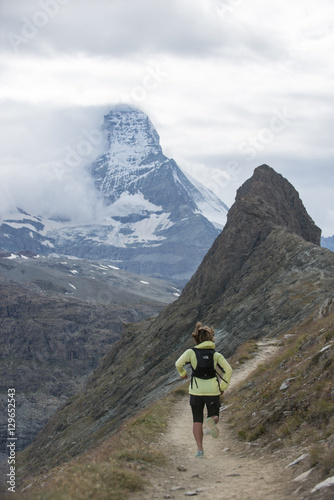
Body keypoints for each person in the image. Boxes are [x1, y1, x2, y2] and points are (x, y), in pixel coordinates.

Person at [175, 322, 232, 458]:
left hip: (196, 391)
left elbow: (178, 364)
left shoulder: (190, 353)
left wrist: (183, 373)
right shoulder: (216, 355)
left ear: (196, 339)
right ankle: (211, 421)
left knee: (196, 420)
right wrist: (222, 387)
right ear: (211, 338)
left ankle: (200, 450)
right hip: (212, 391)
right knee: (214, 416)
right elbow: (228, 370)